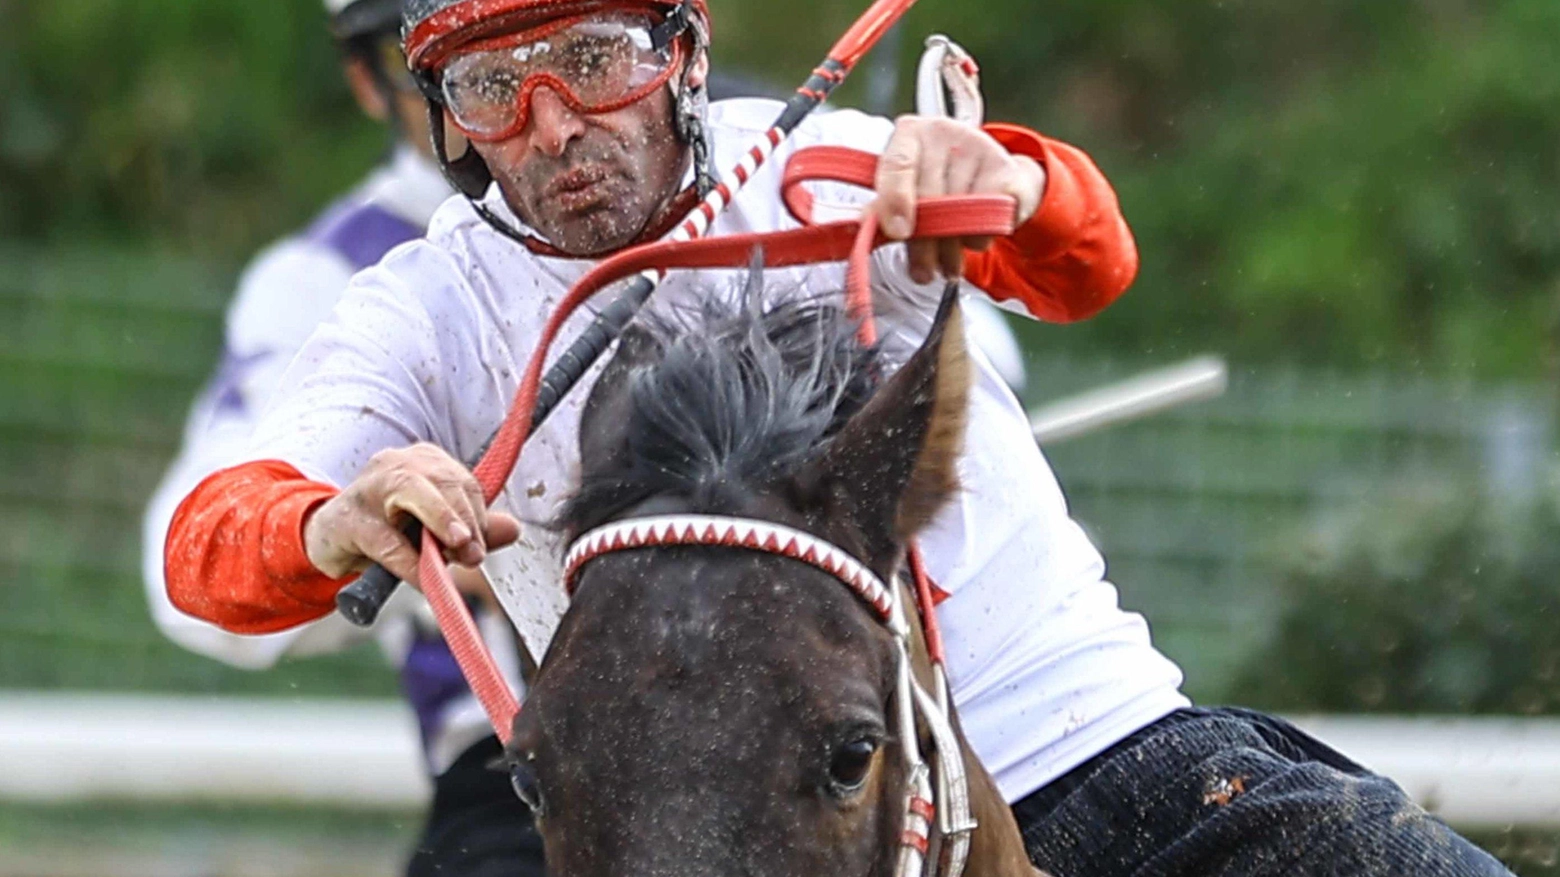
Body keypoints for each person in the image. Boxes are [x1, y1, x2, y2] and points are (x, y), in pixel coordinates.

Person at [159, 0, 1513, 874]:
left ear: (680, 50)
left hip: (1090, 755)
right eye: (491, 87)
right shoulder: (422, 306)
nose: (555, 123)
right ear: (440, 119)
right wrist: (329, 520)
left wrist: (1014, 179)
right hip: (729, 825)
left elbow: (1087, 261)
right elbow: (206, 544)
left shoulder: (835, 158)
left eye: (589, 59)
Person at [140, 2, 536, 875]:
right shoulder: (329, 274)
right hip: (518, 778)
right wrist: (353, 528)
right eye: (431, 57)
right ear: (368, 80)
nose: (503, 92)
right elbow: (184, 568)